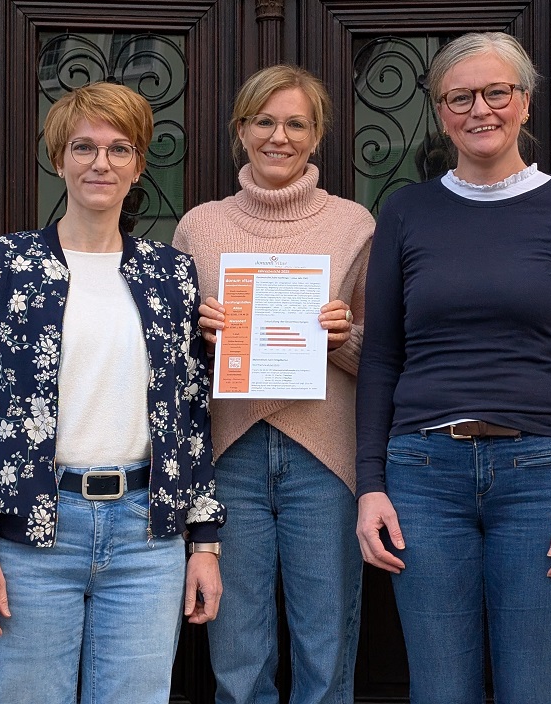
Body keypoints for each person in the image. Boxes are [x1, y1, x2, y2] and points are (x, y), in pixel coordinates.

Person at [355, 32, 551, 704]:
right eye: (460, 98)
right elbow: (382, 357)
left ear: (525, 102)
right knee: (440, 690)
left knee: (534, 689)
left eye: (496, 92)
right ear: (441, 112)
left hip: (544, 476)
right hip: (423, 475)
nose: (480, 109)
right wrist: (370, 485)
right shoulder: (406, 212)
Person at [0, 81, 225, 704]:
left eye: (120, 149)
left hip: (146, 537)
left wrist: (204, 540)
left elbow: (190, 414)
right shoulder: (3, 265)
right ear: (59, 158)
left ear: (138, 166)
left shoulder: (170, 274)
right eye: (84, 147)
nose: (102, 162)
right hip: (30, 537)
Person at [173, 65, 374, 704]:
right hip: (229, 456)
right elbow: (169, 366)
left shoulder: (354, 224)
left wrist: (342, 340)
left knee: (326, 650)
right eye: (264, 121)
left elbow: (383, 358)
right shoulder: (199, 226)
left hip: (326, 458)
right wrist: (199, 338)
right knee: (237, 656)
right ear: (241, 130)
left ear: (317, 136)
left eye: (296, 124)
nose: (278, 137)